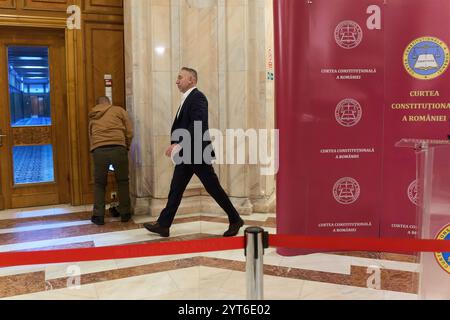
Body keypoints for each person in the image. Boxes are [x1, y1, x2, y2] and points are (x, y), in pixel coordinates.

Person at [144, 68, 244, 237]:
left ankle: (235, 219)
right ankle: (163, 224)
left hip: (197, 153)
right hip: (186, 154)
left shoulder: (198, 97)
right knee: (175, 189)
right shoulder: (187, 99)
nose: (177, 81)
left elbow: (198, 125)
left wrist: (179, 144)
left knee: (213, 188)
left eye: (180, 78)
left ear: (191, 79)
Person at [88, 96, 134, 225]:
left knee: (99, 183)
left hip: (99, 150)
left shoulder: (93, 114)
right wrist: (126, 145)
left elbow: (91, 134)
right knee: (123, 181)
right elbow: (129, 131)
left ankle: (98, 216)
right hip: (118, 148)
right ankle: (125, 213)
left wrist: (94, 149)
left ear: (98, 104)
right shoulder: (118, 110)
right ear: (109, 103)